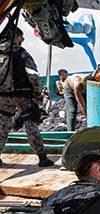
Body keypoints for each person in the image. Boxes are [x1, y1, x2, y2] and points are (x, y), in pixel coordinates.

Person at [0, 28, 54, 167]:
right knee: (30, 124)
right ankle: (42, 157)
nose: (22, 41)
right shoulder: (21, 53)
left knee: (2, 126)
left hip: (3, 96)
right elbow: (33, 75)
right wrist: (38, 93)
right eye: (21, 37)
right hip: (22, 94)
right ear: (15, 36)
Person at [60, 67, 99, 131]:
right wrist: (89, 121)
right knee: (72, 110)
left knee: (90, 107)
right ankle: (70, 132)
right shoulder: (78, 86)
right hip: (69, 87)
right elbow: (82, 106)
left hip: (82, 87)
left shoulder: (93, 81)